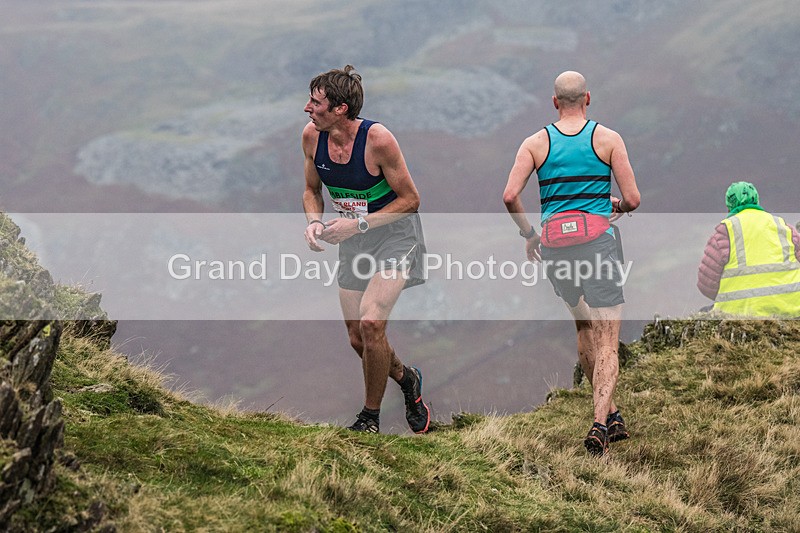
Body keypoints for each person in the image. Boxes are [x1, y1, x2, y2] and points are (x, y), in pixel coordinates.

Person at [502, 71, 641, 456]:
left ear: (554, 102)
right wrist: (613, 204)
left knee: (583, 324)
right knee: (608, 339)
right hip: (598, 244)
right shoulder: (608, 139)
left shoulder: (535, 143)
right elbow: (633, 199)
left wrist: (530, 234)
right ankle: (600, 423)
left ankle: (611, 414)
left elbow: (510, 194)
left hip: (556, 248)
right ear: (588, 99)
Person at [301, 65, 430, 434]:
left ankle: (369, 418)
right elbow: (311, 190)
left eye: (316, 102)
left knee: (373, 324)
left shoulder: (378, 140)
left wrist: (356, 224)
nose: (308, 108)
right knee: (359, 338)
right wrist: (313, 221)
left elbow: (411, 200)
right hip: (352, 239)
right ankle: (407, 380)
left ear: (340, 108)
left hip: (395, 236)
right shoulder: (312, 137)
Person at [697, 181, 800, 317]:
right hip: (791, 309)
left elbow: (706, 284)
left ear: (729, 205)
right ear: (757, 200)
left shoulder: (724, 232)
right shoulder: (784, 226)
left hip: (739, 313)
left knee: (703, 313)